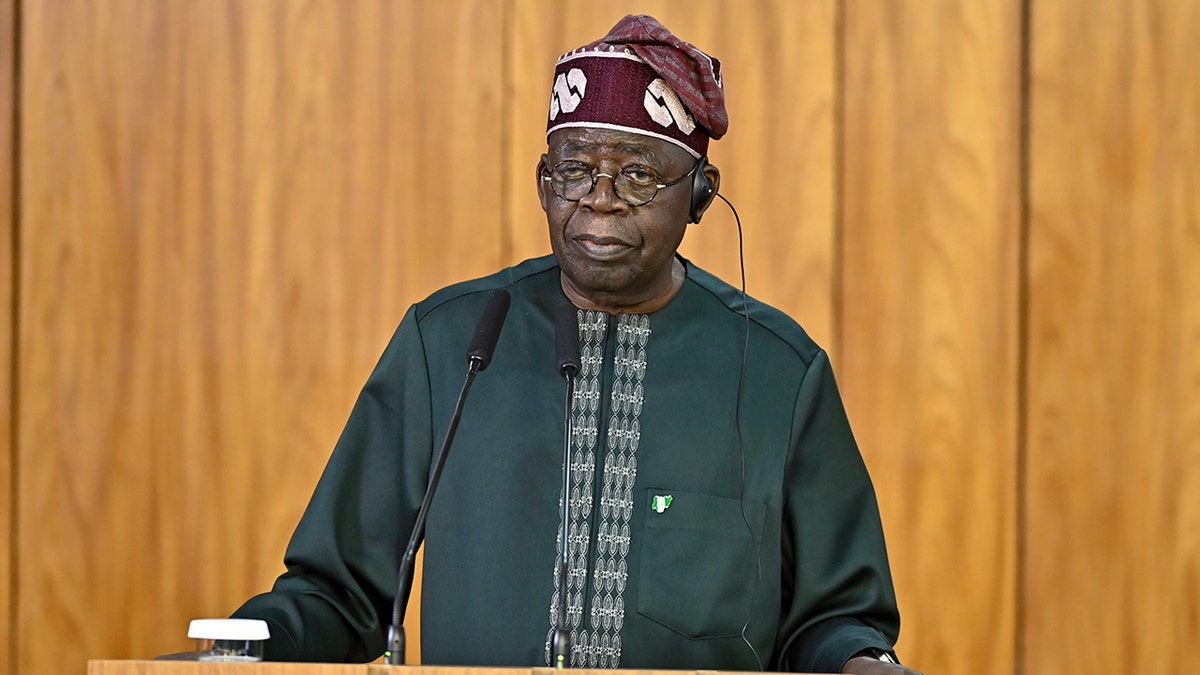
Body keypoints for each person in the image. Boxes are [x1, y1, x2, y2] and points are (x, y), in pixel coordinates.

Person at [231, 14, 919, 675]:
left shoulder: (777, 372)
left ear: (702, 196)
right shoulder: (450, 345)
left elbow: (834, 618)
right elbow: (336, 593)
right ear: (543, 184)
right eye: (575, 169)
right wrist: (239, 651)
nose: (601, 199)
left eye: (640, 175)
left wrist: (865, 663)